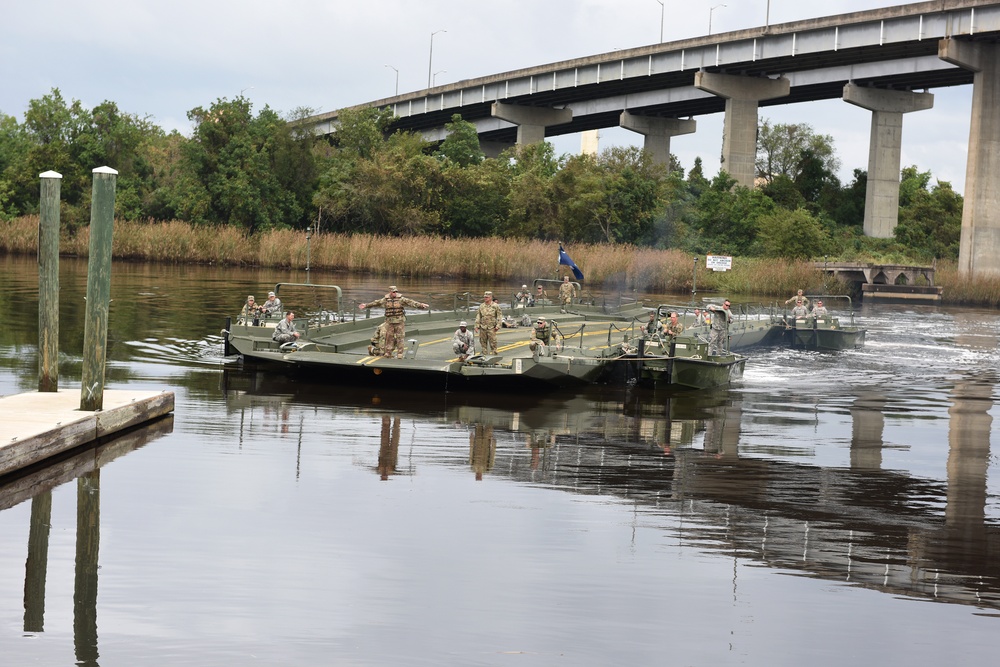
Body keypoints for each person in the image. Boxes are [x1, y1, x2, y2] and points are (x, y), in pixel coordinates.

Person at [359, 285, 429, 359]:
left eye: (396, 292)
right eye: (393, 292)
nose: (395, 293)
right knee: (389, 338)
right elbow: (376, 303)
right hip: (390, 322)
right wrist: (366, 305)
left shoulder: (401, 299)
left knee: (400, 338)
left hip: (399, 322)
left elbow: (411, 302)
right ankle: (388, 353)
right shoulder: (385, 300)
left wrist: (421, 305)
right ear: (390, 292)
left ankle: (400, 353)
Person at [475, 291, 504, 355]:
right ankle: (485, 356)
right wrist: (477, 325)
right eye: (485, 297)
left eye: (487, 297)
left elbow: (499, 316)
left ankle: (494, 357)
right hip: (483, 327)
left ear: (490, 297)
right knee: (483, 343)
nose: (485, 298)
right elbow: (478, 316)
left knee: (493, 343)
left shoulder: (495, 306)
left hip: (491, 327)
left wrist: (498, 326)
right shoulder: (481, 306)